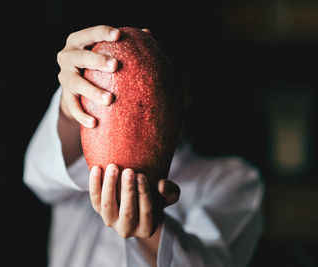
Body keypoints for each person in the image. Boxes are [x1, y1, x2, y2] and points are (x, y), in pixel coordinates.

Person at [23, 25, 264, 267]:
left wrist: (151, 230)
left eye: (154, 82)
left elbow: (213, 262)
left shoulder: (235, 179)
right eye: (112, 92)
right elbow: (38, 179)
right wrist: (68, 105)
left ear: (184, 93)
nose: (135, 105)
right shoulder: (82, 147)